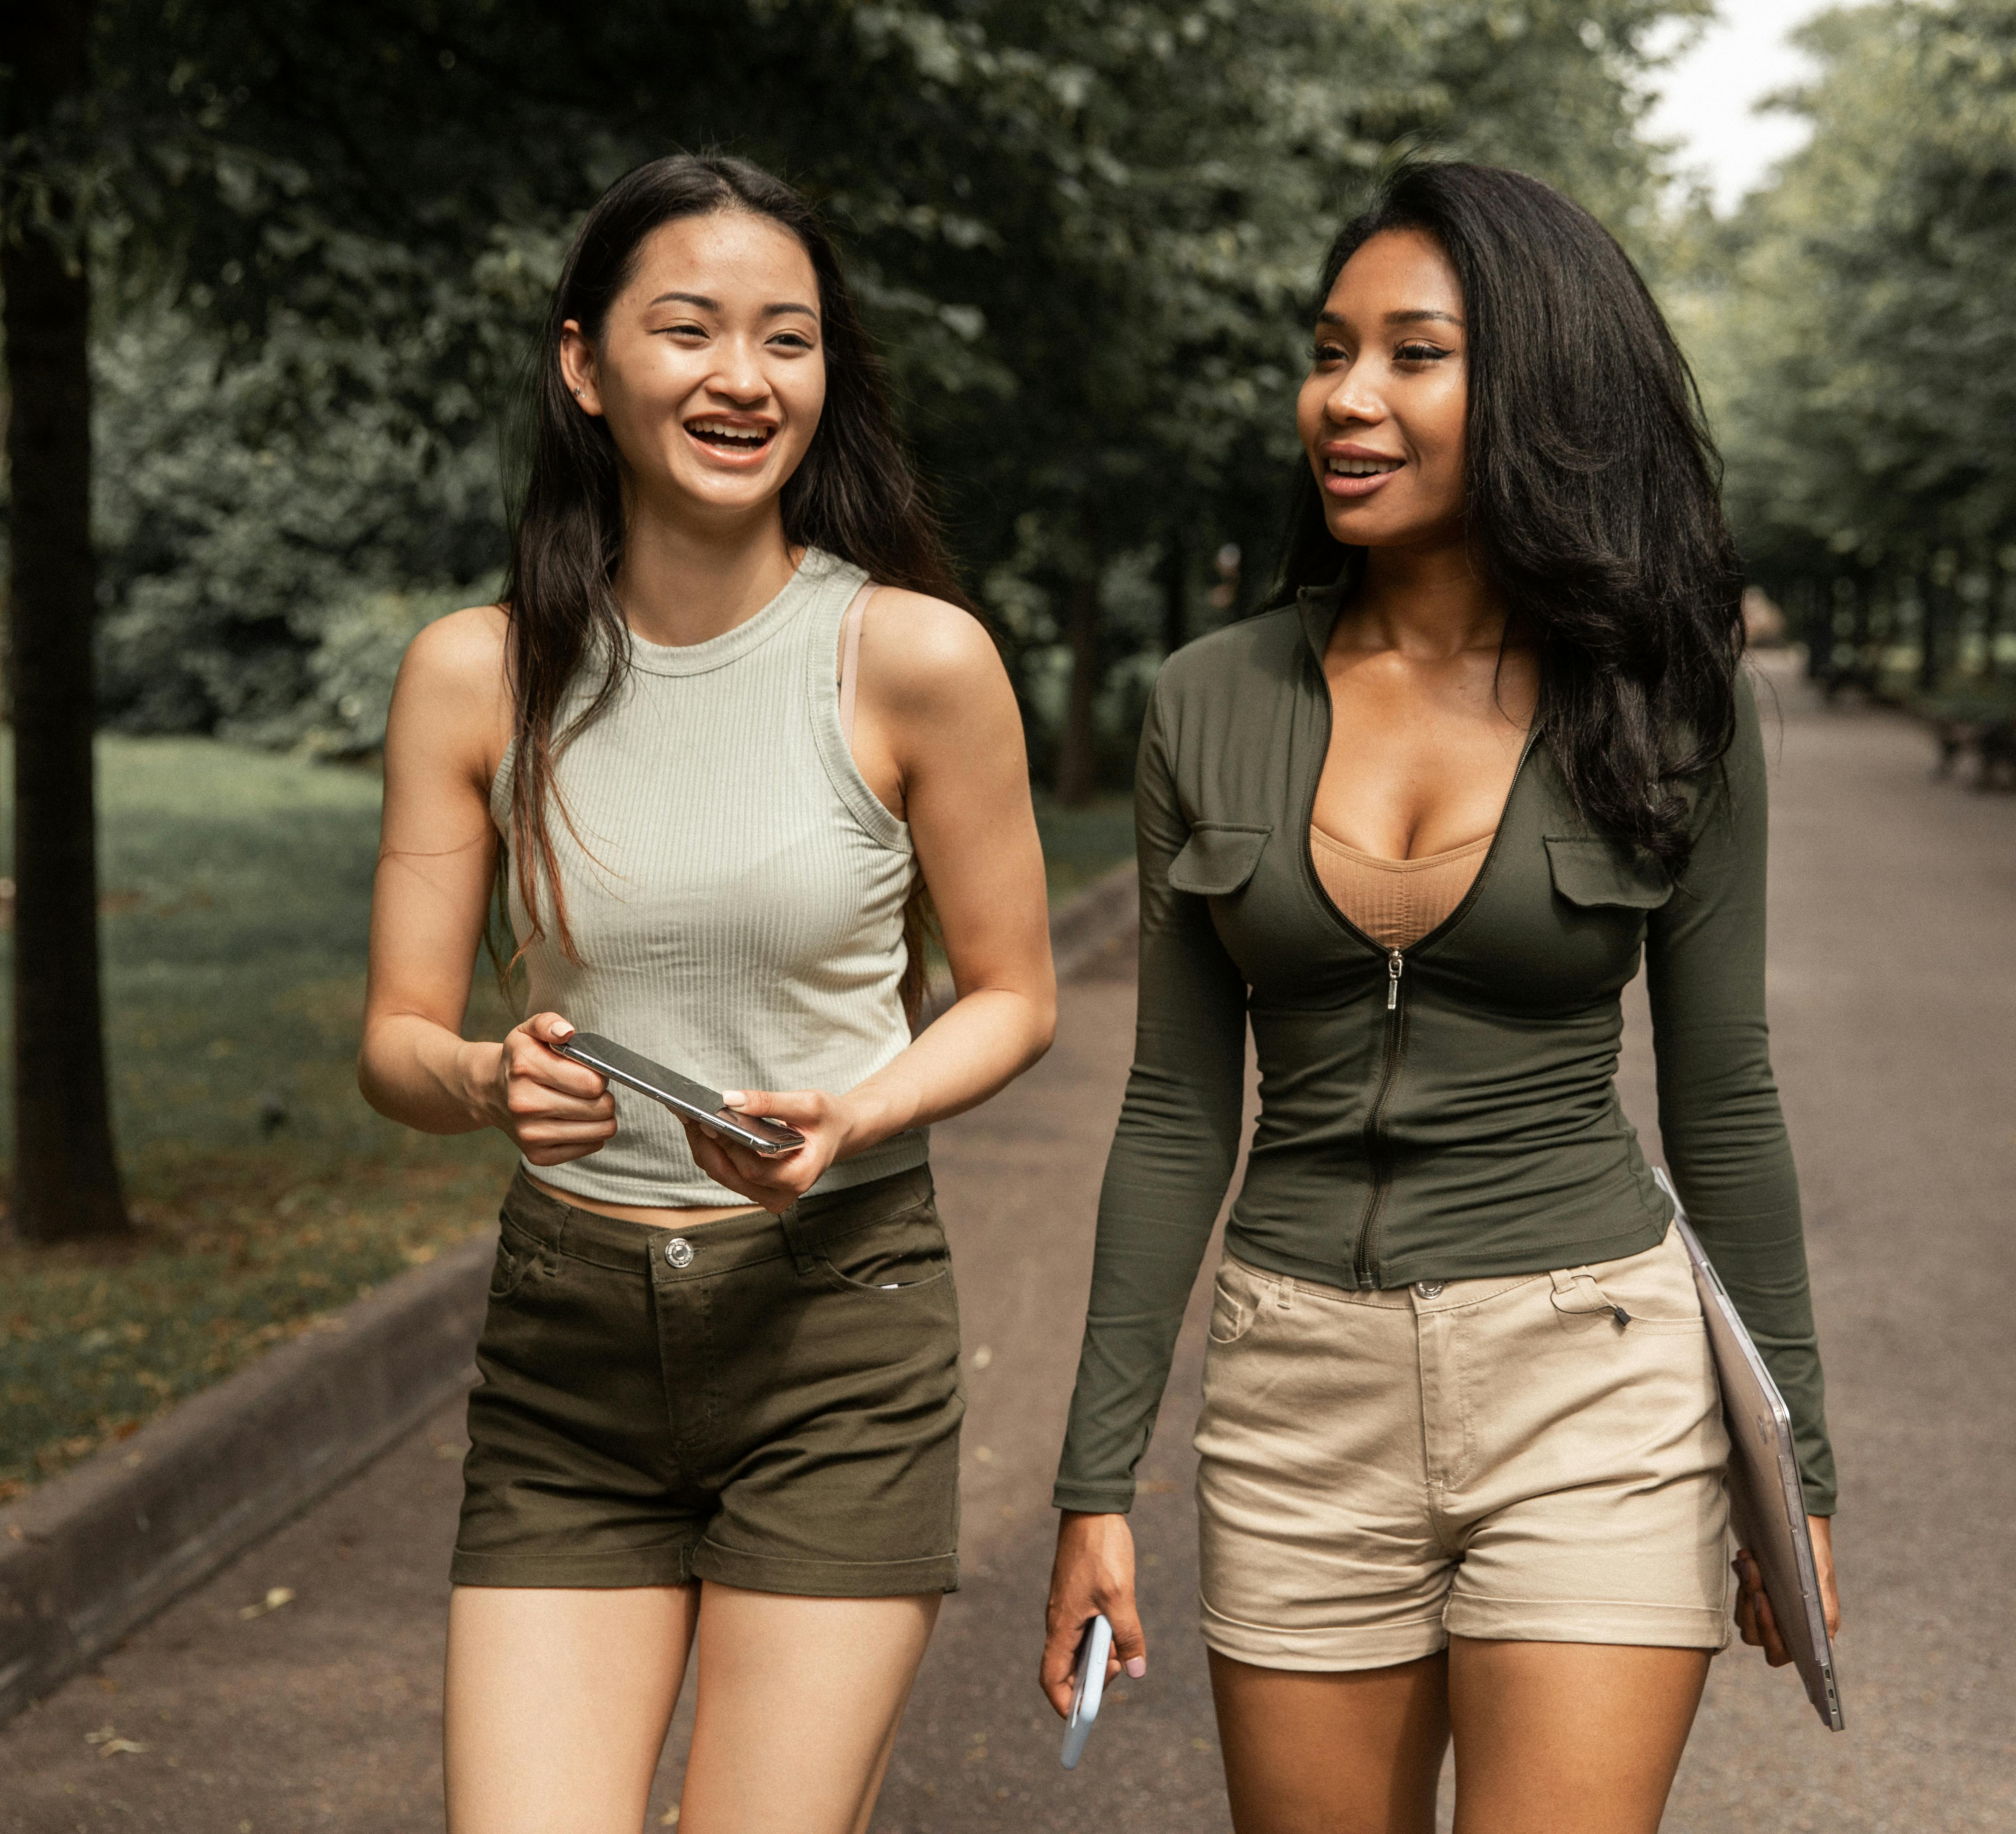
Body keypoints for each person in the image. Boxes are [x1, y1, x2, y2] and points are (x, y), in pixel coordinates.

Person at [1039, 162, 1841, 1834]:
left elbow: (1727, 1091)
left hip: (1595, 1383)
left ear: (1537, 385)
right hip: (1293, 1397)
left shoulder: (1669, 697)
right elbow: (1179, 1106)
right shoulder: (1208, 696)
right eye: (1331, 350)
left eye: (1415, 354)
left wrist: (1803, 1471)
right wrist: (1093, 1481)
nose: (1346, 396)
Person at [359, 153, 1054, 1834]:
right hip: (571, 1350)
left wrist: (859, 1105)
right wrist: (481, 1081)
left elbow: (1013, 995)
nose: (745, 377)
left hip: (837, 1324)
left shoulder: (913, 657)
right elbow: (394, 1038)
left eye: (787, 339)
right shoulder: (476, 673)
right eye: (691, 330)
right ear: (586, 365)